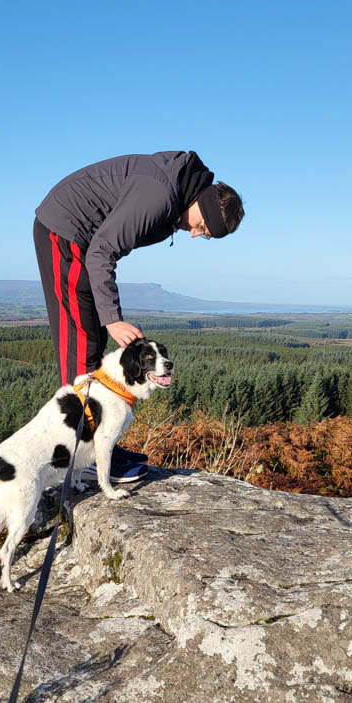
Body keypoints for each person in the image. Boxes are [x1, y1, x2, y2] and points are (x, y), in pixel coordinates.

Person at [33, 150, 245, 481]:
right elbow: (104, 249)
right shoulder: (159, 196)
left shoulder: (172, 196)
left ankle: (99, 447)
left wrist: (107, 318)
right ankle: (81, 458)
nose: (194, 234)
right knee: (79, 340)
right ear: (201, 205)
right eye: (202, 227)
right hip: (65, 231)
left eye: (202, 234)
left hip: (78, 237)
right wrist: (112, 317)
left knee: (92, 339)